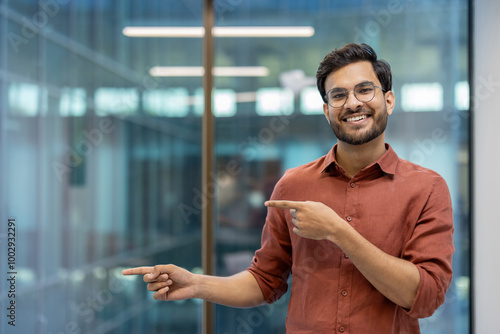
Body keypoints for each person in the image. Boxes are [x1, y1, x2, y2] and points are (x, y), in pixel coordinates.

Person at [122, 43, 454, 334]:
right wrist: (196, 283)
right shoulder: (295, 185)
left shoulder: (426, 188)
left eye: (365, 90)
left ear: (389, 100)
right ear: (327, 111)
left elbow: (424, 297)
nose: (353, 103)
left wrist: (338, 231)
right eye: (338, 95)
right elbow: (265, 281)